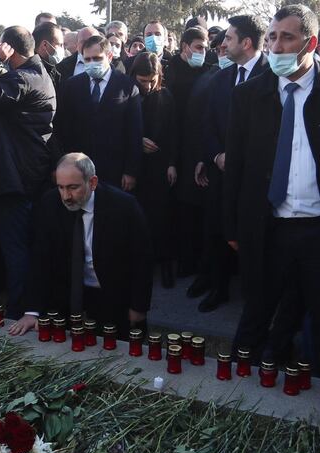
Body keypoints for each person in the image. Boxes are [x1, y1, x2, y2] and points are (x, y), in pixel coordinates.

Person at [224, 4, 320, 371]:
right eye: (272, 37)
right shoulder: (250, 94)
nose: (276, 46)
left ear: (309, 43)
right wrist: (232, 225)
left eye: (286, 37)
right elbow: (237, 167)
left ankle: (318, 400)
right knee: (256, 316)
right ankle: (237, 389)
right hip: (268, 227)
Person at [9, 153, 152, 339]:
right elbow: (40, 258)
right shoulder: (50, 203)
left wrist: (138, 307)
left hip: (113, 294)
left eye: (73, 187)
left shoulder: (124, 207)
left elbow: (142, 260)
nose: (66, 196)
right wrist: (32, 311)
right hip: (65, 295)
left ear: (92, 183)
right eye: (60, 187)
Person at [0, 25, 56, 319]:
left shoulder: (25, 78)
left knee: (16, 250)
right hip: (20, 175)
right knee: (18, 248)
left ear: (9, 50)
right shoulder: (31, 75)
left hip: (17, 179)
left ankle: (21, 311)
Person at [191, 14, 269, 311]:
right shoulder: (222, 77)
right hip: (220, 170)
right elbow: (208, 122)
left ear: (246, 42)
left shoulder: (272, 75)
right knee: (218, 228)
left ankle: (254, 296)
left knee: (251, 234)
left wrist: (240, 158)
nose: (222, 44)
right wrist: (214, 155)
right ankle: (218, 286)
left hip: (256, 175)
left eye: (228, 39)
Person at [54, 34, 142, 191]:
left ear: (109, 56)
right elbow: (62, 128)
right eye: (87, 59)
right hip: (79, 167)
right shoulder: (72, 86)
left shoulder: (127, 86)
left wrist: (131, 171)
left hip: (114, 168)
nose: (92, 63)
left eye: (97, 58)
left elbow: (134, 131)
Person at [164, 26, 216, 280]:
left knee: (198, 210)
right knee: (178, 211)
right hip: (173, 152)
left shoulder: (208, 73)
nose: (203, 53)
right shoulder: (169, 72)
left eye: (206, 48)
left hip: (199, 152)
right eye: (198, 48)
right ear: (185, 47)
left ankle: (196, 262)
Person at [131, 52, 176, 288]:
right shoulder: (129, 95)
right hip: (136, 165)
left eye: (152, 80)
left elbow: (174, 131)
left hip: (160, 165)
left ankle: (165, 264)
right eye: (142, 80)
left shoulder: (166, 96)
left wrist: (171, 163)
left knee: (162, 217)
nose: (148, 86)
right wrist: (136, 140)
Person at [33, 22, 64, 89]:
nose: (62, 49)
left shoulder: (53, 70)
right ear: (45, 45)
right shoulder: (32, 74)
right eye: (59, 45)